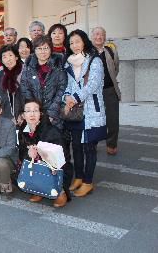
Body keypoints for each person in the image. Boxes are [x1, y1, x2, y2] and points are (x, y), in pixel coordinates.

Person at [64, 29, 105, 197]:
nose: (74, 45)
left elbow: (93, 84)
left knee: (89, 148)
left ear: (84, 42)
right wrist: (66, 96)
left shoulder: (94, 60)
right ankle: (79, 177)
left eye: (77, 41)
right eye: (72, 43)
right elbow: (69, 85)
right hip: (76, 112)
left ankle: (88, 182)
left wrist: (75, 97)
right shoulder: (69, 63)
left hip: (90, 111)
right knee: (76, 147)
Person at [18, 99, 73, 208]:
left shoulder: (51, 131)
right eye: (28, 111)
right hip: (37, 166)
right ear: (23, 115)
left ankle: (61, 192)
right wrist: (29, 154)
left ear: (41, 114)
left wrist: (44, 155)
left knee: (53, 171)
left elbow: (64, 157)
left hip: (55, 167)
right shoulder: (23, 130)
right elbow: (21, 153)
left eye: (35, 111)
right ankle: (39, 190)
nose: (32, 114)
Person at [20, 36, 66, 130]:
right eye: (39, 48)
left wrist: (51, 112)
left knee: (54, 141)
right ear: (34, 50)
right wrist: (35, 110)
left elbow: (62, 88)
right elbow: (25, 87)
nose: (43, 51)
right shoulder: (29, 65)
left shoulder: (58, 64)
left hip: (55, 114)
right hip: (34, 114)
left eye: (46, 48)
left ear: (50, 49)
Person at [91, 26, 121, 155]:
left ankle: (112, 144)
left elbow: (116, 68)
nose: (99, 37)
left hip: (109, 90)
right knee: (94, 119)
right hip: (92, 93)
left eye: (101, 34)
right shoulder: (87, 52)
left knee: (113, 120)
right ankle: (92, 144)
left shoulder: (110, 50)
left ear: (105, 37)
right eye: (96, 34)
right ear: (92, 37)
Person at [0, 45, 24, 125]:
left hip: (24, 116)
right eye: (4, 57)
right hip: (5, 118)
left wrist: (23, 113)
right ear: (2, 61)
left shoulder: (25, 72)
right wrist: (8, 118)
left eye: (10, 55)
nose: (8, 59)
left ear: (16, 57)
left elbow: (29, 96)